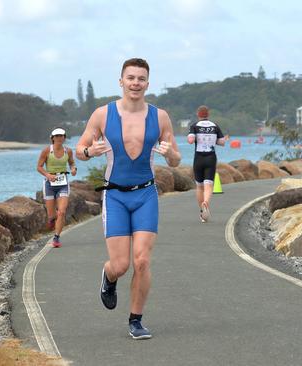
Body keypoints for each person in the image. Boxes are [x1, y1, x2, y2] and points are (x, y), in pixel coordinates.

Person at [75, 58, 181, 340]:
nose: (136, 83)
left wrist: (169, 154)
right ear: (121, 81)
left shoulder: (160, 117)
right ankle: (108, 277)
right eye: (130, 78)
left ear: (148, 83)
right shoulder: (102, 114)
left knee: (142, 260)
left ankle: (136, 319)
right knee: (121, 265)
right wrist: (89, 153)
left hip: (146, 193)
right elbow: (79, 149)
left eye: (141, 78)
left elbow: (175, 159)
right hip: (115, 196)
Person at [36, 127, 77, 248]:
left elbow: (71, 163)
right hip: (49, 184)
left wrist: (73, 169)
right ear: (52, 138)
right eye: (57, 136)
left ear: (64, 137)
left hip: (63, 183)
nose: (59, 138)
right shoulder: (46, 151)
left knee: (62, 212)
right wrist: (48, 175)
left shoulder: (68, 151)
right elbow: (39, 167)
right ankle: (51, 220)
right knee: (52, 216)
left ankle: (56, 237)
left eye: (61, 136)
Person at [187, 105, 227, 223]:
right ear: (208, 115)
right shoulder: (214, 126)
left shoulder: (194, 126)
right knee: (209, 185)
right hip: (211, 158)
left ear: (198, 114)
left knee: (199, 186)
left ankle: (202, 210)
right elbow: (221, 142)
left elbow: (190, 140)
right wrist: (222, 139)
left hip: (198, 158)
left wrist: (192, 137)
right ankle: (206, 203)